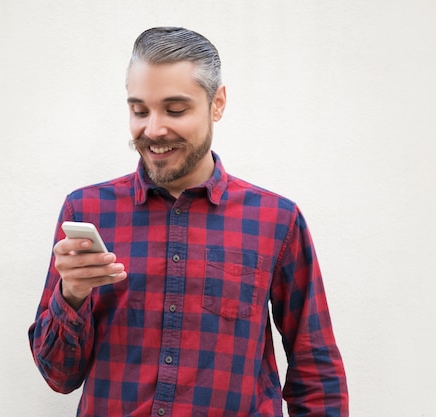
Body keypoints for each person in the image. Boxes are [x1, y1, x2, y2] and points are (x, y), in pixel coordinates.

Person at [29, 27, 348, 417]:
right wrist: (72, 294)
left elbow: (315, 368)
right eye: (139, 110)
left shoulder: (276, 220)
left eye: (175, 110)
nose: (153, 130)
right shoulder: (87, 210)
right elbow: (58, 377)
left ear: (217, 104)